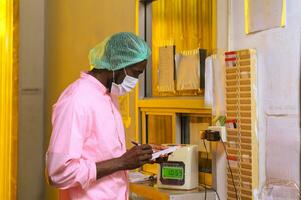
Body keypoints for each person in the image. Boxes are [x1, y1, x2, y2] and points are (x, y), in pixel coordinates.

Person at [46, 32, 157, 200]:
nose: (136, 80)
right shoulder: (77, 100)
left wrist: (137, 156)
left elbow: (99, 154)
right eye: (135, 73)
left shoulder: (109, 96)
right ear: (118, 65)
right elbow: (58, 173)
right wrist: (122, 162)